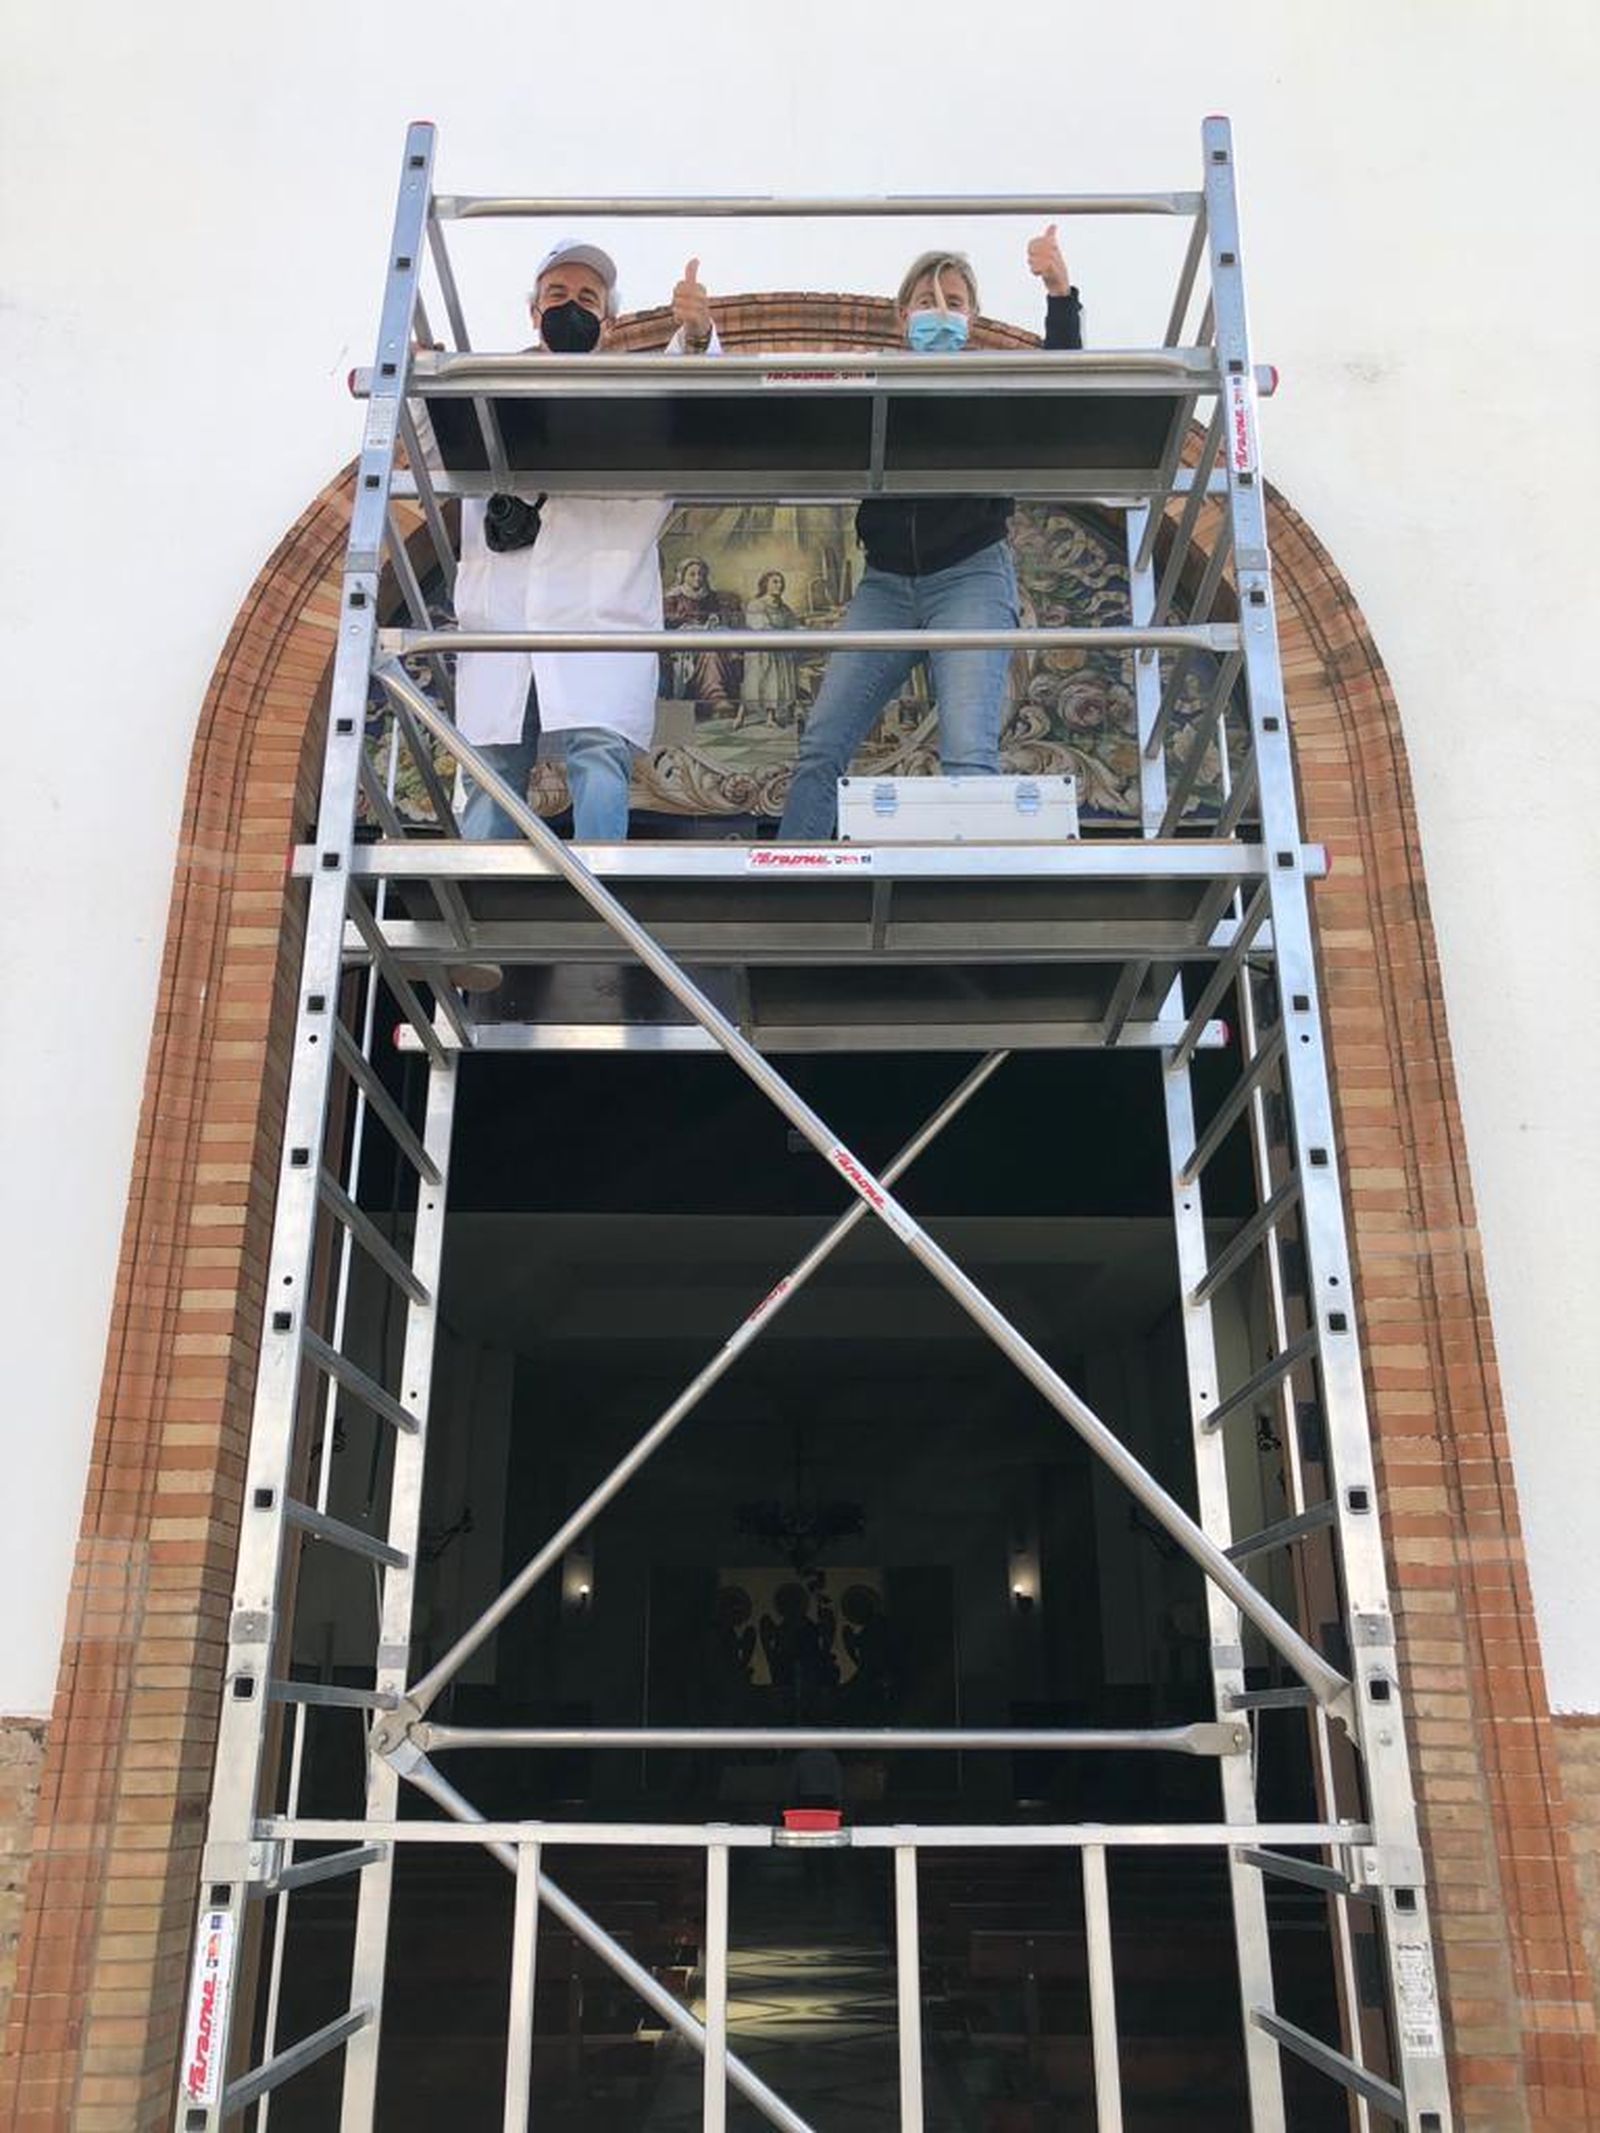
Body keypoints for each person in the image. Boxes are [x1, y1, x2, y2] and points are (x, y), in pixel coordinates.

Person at [777, 227, 1082, 840]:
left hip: (968, 575)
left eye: (954, 303)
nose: (938, 313)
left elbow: (1064, 393)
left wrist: (1058, 293)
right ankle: (794, 880)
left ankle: (964, 899)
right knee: (823, 742)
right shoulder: (873, 385)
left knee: (968, 752)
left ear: (972, 318)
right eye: (925, 302)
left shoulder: (991, 387)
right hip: (886, 585)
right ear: (901, 316)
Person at [453, 243, 720, 842]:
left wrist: (697, 336)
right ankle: (479, 904)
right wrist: (420, 376)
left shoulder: (633, 392)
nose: (570, 307)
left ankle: (601, 890)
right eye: (557, 296)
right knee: (492, 768)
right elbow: (424, 438)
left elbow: (691, 401)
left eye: (586, 298)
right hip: (503, 623)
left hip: (600, 625)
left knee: (598, 758)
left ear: (610, 319)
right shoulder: (488, 388)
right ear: (532, 311)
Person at [740, 568, 802, 727]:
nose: (779, 585)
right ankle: (741, 715)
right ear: (765, 584)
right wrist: (781, 636)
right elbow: (761, 627)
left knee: (777, 682)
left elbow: (793, 625)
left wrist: (802, 631)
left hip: (779, 649)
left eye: (781, 582)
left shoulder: (784, 607)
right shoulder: (756, 605)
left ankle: (772, 717)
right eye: (775, 581)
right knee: (757, 682)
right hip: (761, 650)